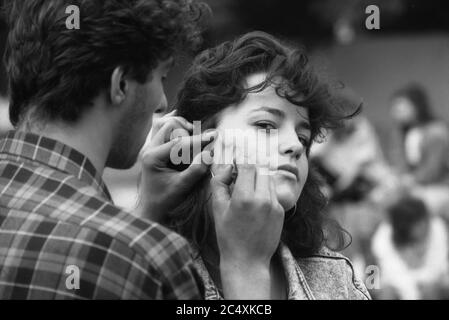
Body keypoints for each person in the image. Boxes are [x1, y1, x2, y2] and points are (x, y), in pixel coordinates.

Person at [0, 0, 213, 299]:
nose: (163, 103)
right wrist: (246, 265)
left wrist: (146, 212)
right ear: (121, 83)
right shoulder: (151, 261)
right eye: (161, 78)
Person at [151, 31, 371, 299]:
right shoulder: (153, 273)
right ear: (200, 141)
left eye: (303, 137)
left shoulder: (336, 280)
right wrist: (145, 209)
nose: (295, 145)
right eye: (266, 125)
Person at [371, 196, 449, 300]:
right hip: (393, 283)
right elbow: (376, 271)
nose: (425, 226)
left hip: (431, 281)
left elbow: (439, 266)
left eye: (426, 221)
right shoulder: (383, 235)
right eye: (419, 224)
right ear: (404, 228)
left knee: (432, 291)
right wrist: (374, 286)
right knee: (385, 293)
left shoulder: (437, 227)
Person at [389, 84, 449, 217]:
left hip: (437, 186)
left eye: (401, 107)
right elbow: (398, 162)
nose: (396, 112)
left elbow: (433, 170)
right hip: (412, 184)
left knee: (416, 205)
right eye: (394, 108)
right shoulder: (402, 132)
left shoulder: (436, 131)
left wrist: (410, 180)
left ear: (417, 106)